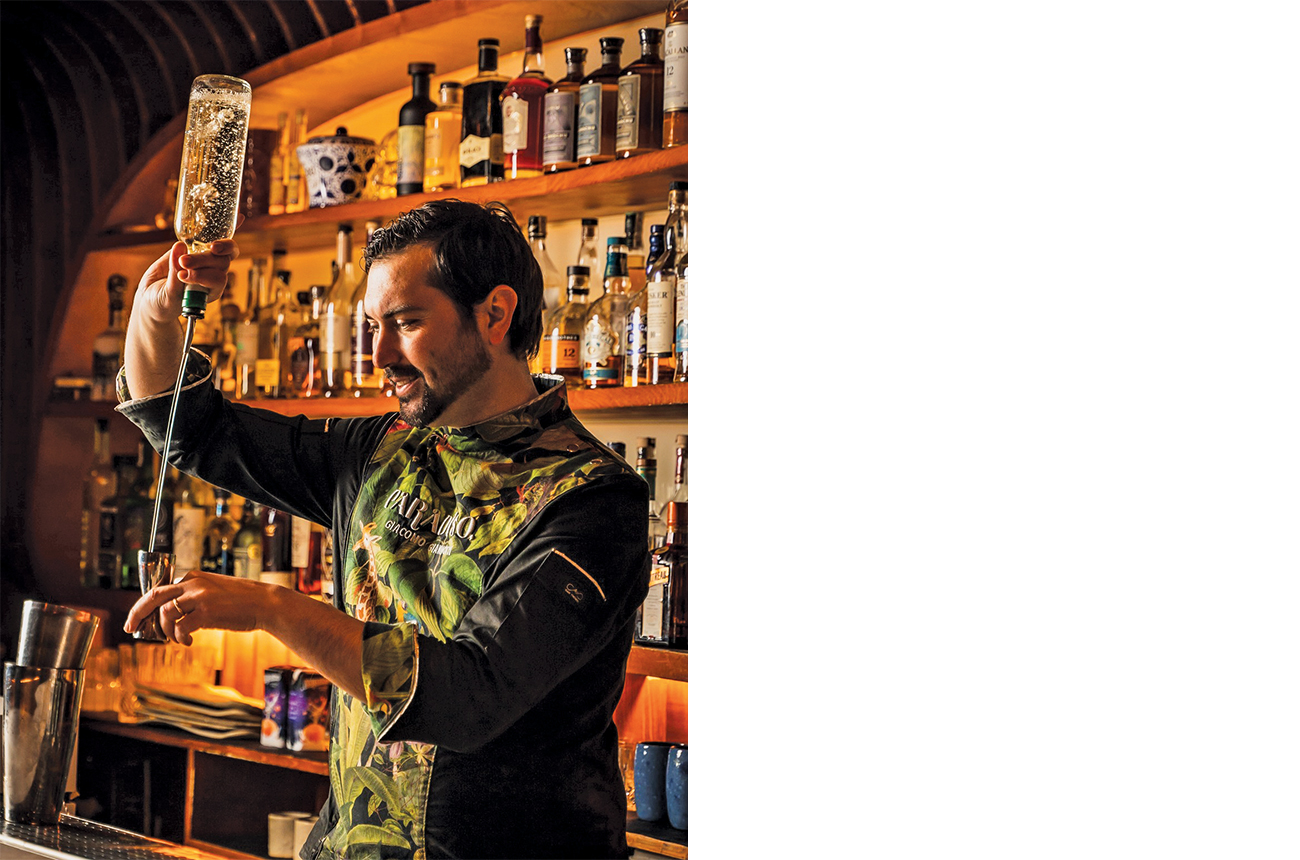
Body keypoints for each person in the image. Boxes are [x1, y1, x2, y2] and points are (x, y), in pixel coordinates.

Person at [120, 200, 650, 859]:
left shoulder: (593, 499)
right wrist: (157, 313)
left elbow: (469, 698)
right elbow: (194, 430)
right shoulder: (377, 453)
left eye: (404, 324)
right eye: (372, 326)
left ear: (494, 314)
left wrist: (270, 609)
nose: (377, 355)